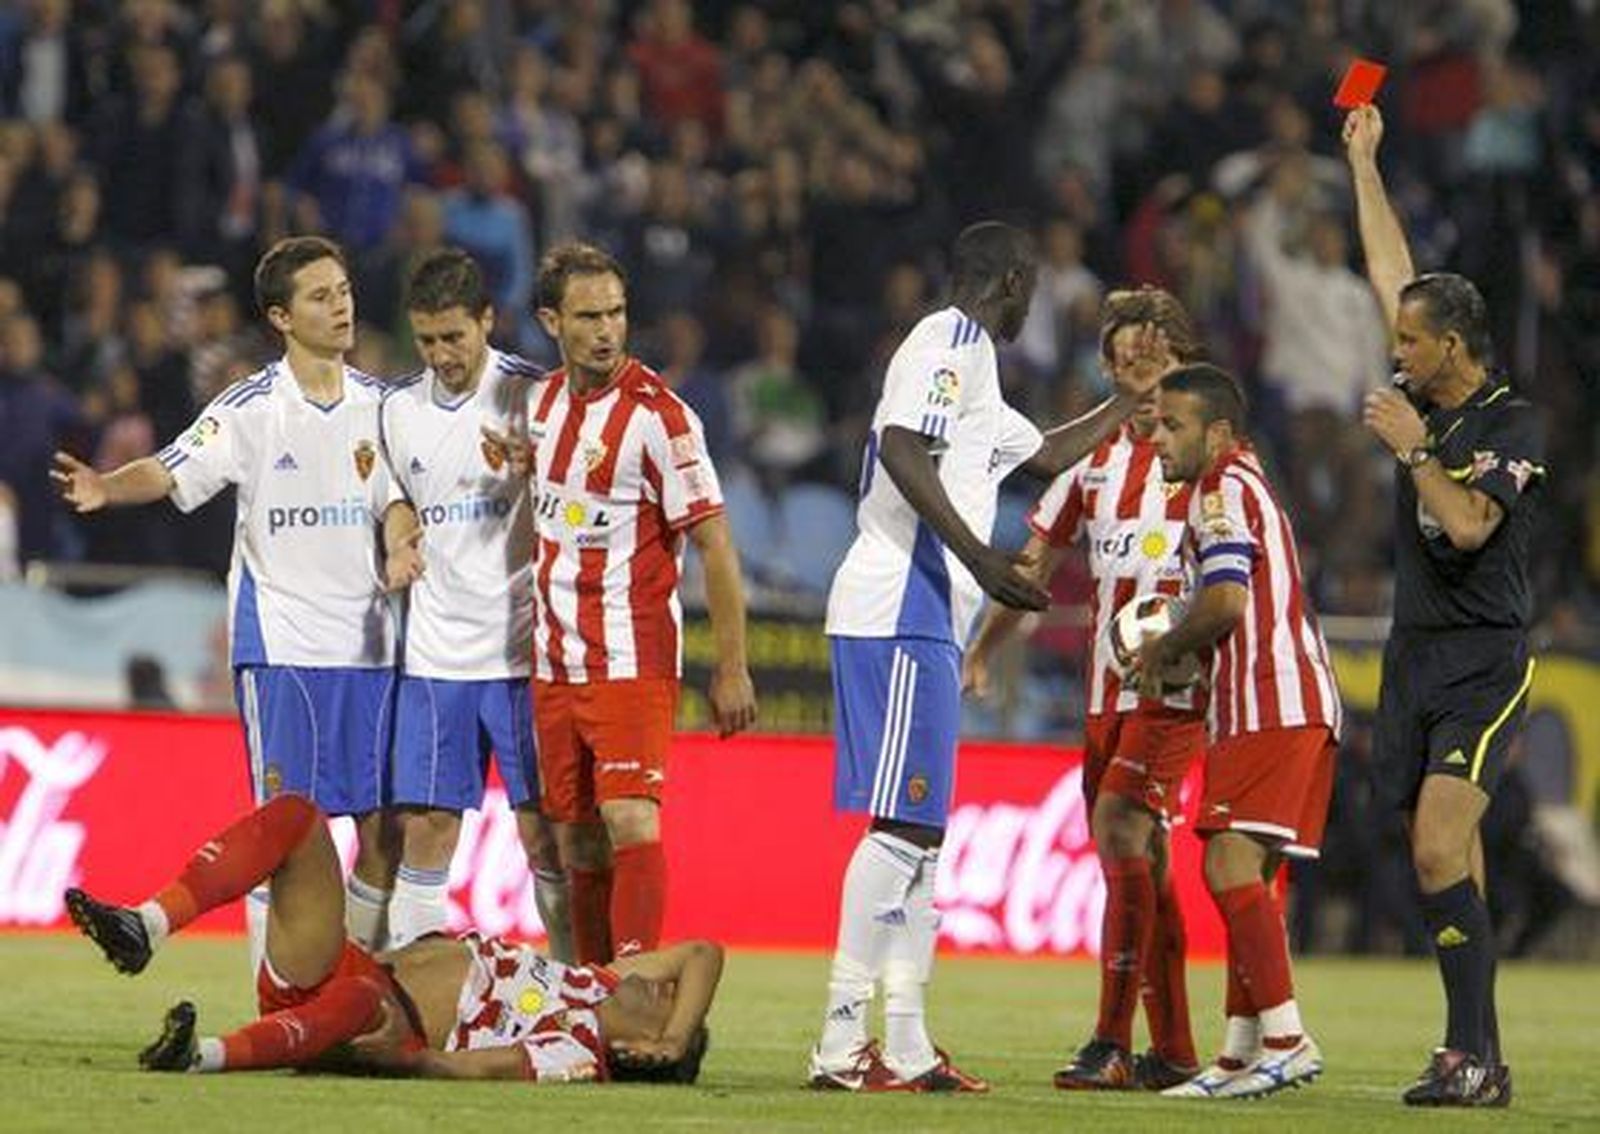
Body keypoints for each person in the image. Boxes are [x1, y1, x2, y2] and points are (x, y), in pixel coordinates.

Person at [809, 221, 1164, 1093]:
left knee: (922, 836)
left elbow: (1041, 453)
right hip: (900, 600)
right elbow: (899, 445)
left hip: (928, 611)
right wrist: (979, 558)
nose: (1034, 300)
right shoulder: (951, 339)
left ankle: (907, 1042)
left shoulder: (977, 367)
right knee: (902, 826)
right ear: (1010, 280)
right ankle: (841, 1041)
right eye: (1031, 285)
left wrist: (1126, 400)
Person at [51, 236, 423, 963]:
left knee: (386, 829)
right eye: (321, 296)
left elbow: (398, 500)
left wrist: (404, 542)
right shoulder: (250, 409)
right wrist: (106, 487)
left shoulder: (383, 408)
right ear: (282, 317)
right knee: (284, 828)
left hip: (371, 646)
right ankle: (272, 991)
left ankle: (349, 983)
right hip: (282, 644)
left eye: (344, 290)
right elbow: (168, 469)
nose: (341, 305)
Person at [1345, 103, 1542, 1108]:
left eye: (1413, 344)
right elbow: (1393, 277)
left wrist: (1411, 451)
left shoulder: (1513, 420)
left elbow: (1468, 526)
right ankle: (1478, 1060)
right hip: (1413, 653)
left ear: (1455, 345)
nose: (1397, 354)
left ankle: (1468, 1054)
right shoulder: (1422, 386)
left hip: (1483, 658)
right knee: (1444, 852)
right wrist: (1365, 165)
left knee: (1434, 849)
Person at [964, 287, 1207, 1091]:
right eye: (1129, 362)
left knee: (1117, 829)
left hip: (1175, 693)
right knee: (1145, 857)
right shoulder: (1093, 468)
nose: (1144, 378)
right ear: (1107, 370)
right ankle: (1171, 1050)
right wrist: (984, 652)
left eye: (1158, 362)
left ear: (1184, 367)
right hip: (1106, 697)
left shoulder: (1213, 464)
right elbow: (1033, 567)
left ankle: (1109, 1041)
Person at [63, 793, 721, 1084]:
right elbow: (704, 954)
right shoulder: (600, 981)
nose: (657, 986)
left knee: (357, 1002)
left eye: (664, 1005)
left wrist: (397, 1057)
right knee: (297, 819)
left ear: (642, 1049)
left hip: (376, 1016)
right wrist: (672, 1031)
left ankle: (198, 1056)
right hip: (348, 965)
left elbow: (481, 1067)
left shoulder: (579, 1052)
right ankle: (149, 924)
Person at [523, 241, 757, 964]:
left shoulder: (662, 417)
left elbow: (715, 544)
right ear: (550, 322)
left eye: (617, 313)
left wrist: (732, 668)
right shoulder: (537, 407)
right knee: (577, 834)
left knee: (629, 817)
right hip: (554, 661)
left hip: (632, 656)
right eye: (588, 315)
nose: (606, 330)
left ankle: (633, 988)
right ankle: (589, 993)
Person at [1138, 363, 1341, 1100]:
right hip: (1279, 701)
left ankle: (1287, 1039)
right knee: (1246, 874)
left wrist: (1161, 650)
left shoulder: (1220, 487)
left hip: (1271, 702)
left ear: (1217, 432)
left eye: (1172, 425)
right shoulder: (1243, 481)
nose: (1158, 437)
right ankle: (1239, 1053)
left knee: (1227, 867)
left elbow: (1225, 602)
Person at [379, 247, 570, 959]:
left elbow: (579, 493)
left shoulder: (536, 396)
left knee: (542, 828)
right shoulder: (398, 409)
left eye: (454, 336)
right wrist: (398, 537)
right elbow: (391, 494)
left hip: (523, 653)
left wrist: (537, 466)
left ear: (488, 320)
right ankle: (414, 991)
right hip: (434, 656)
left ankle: (578, 983)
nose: (441, 354)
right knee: (427, 826)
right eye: (427, 340)